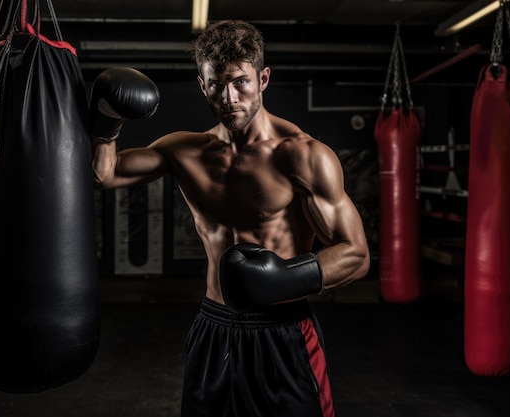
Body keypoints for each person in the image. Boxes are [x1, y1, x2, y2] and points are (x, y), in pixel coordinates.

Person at [90, 20, 370, 417]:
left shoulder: (303, 155)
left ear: (263, 79)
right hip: (214, 327)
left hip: (283, 330)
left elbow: (356, 255)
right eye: (217, 85)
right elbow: (105, 174)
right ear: (203, 86)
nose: (230, 97)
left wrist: (282, 279)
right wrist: (106, 125)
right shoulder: (183, 150)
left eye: (241, 82)